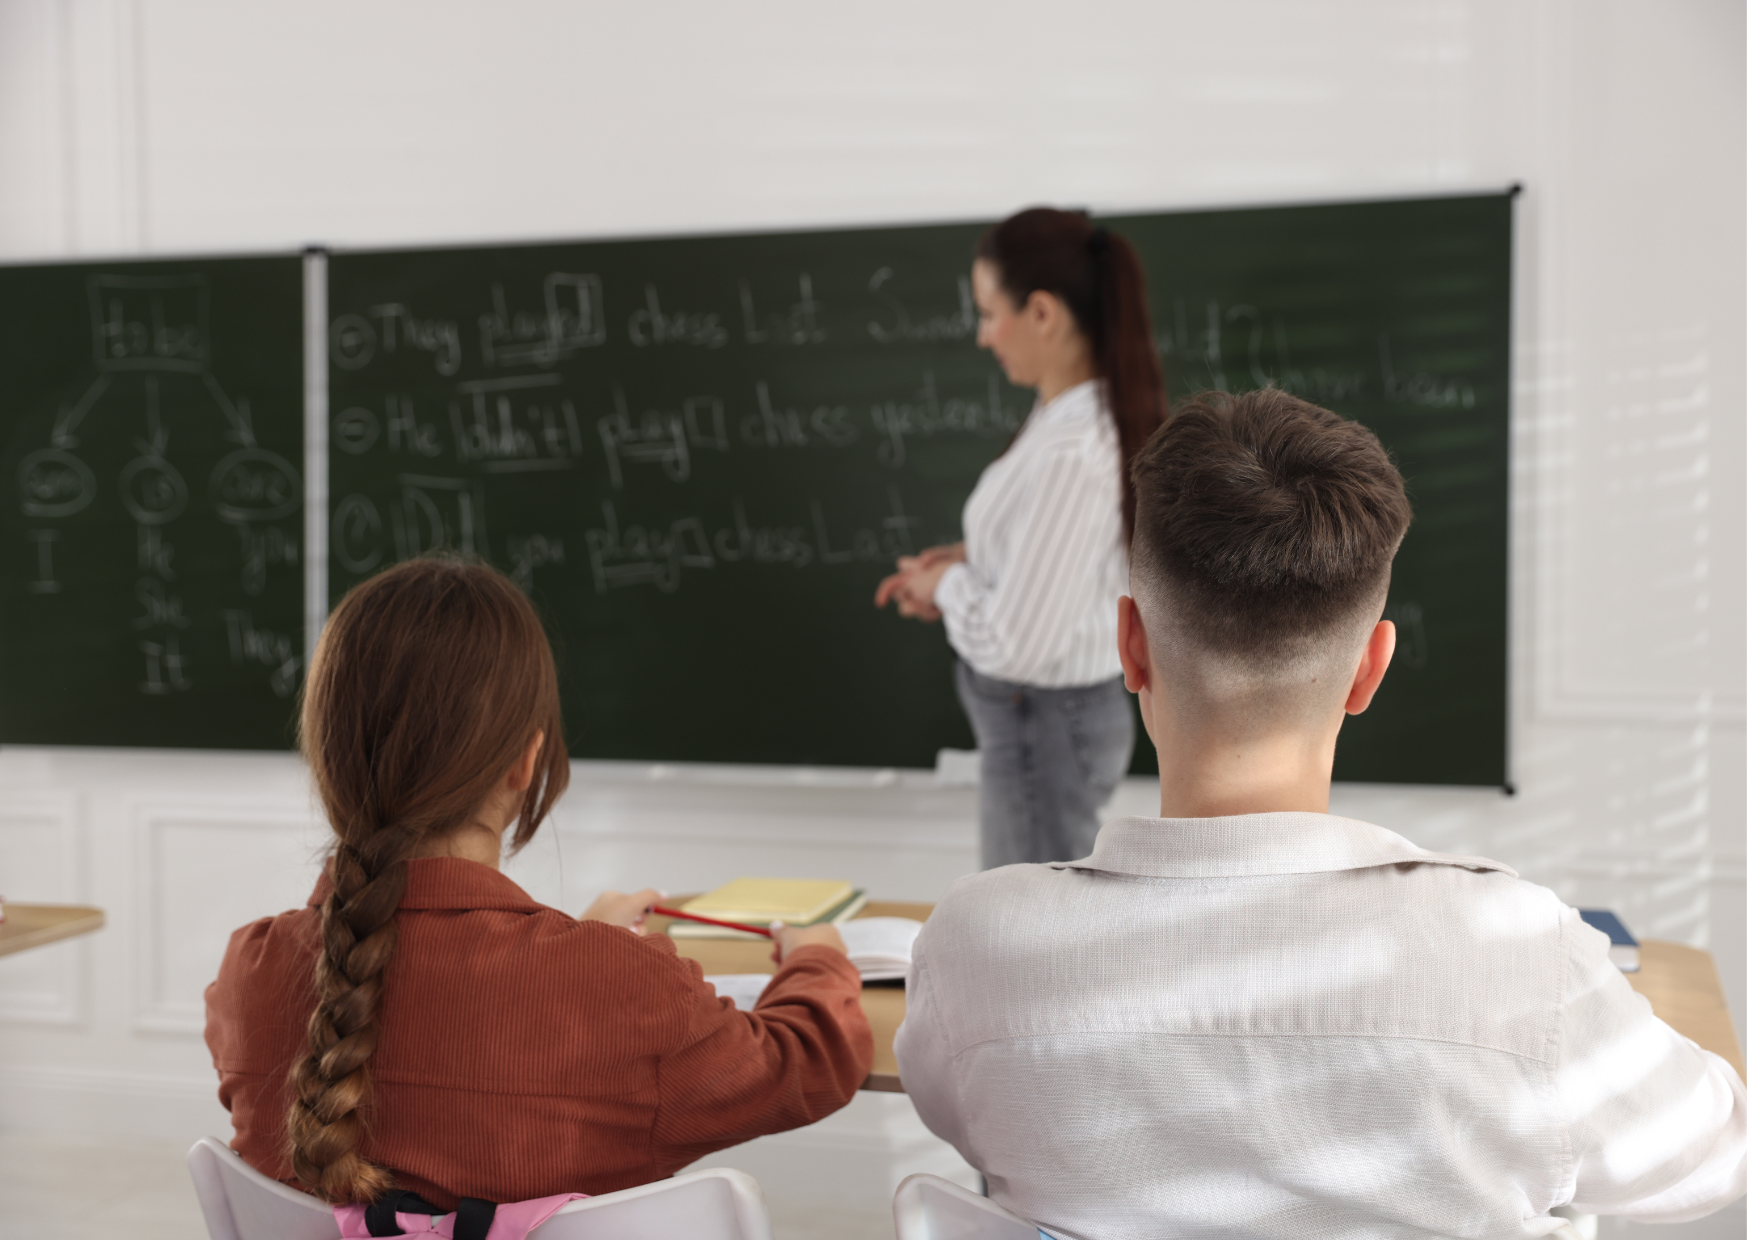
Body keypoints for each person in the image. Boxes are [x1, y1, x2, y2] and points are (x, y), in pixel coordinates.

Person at [894, 389, 1745, 1239]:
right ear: (1371, 670)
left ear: (1131, 645)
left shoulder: (978, 948)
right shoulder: (1525, 964)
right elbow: (1713, 1154)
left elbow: (950, 1106)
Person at [205, 557, 871, 1208]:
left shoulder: (250, 973)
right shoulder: (625, 990)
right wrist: (819, 959)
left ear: (327, 756)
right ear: (526, 759)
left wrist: (590, 951)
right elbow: (805, 1063)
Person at [875, 207, 1166, 868]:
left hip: (1045, 724)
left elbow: (1019, 644)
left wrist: (948, 587)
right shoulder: (1063, 418)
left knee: (1030, 938)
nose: (983, 336)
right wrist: (965, 564)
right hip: (1047, 726)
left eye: (988, 312)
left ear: (1042, 313)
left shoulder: (1073, 449)